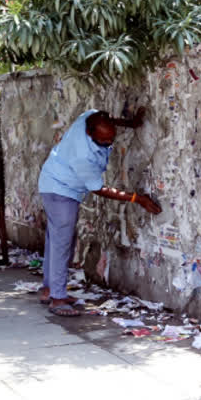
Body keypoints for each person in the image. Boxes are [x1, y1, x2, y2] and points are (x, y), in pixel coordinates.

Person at [38, 108, 162, 317]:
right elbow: (99, 189)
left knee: (56, 240)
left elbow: (107, 119)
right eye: (103, 140)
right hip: (61, 191)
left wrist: (131, 124)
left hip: (53, 183)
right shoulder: (82, 156)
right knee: (61, 244)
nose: (108, 143)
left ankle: (50, 289)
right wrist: (137, 198)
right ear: (89, 134)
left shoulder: (88, 118)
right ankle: (57, 299)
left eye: (111, 137)